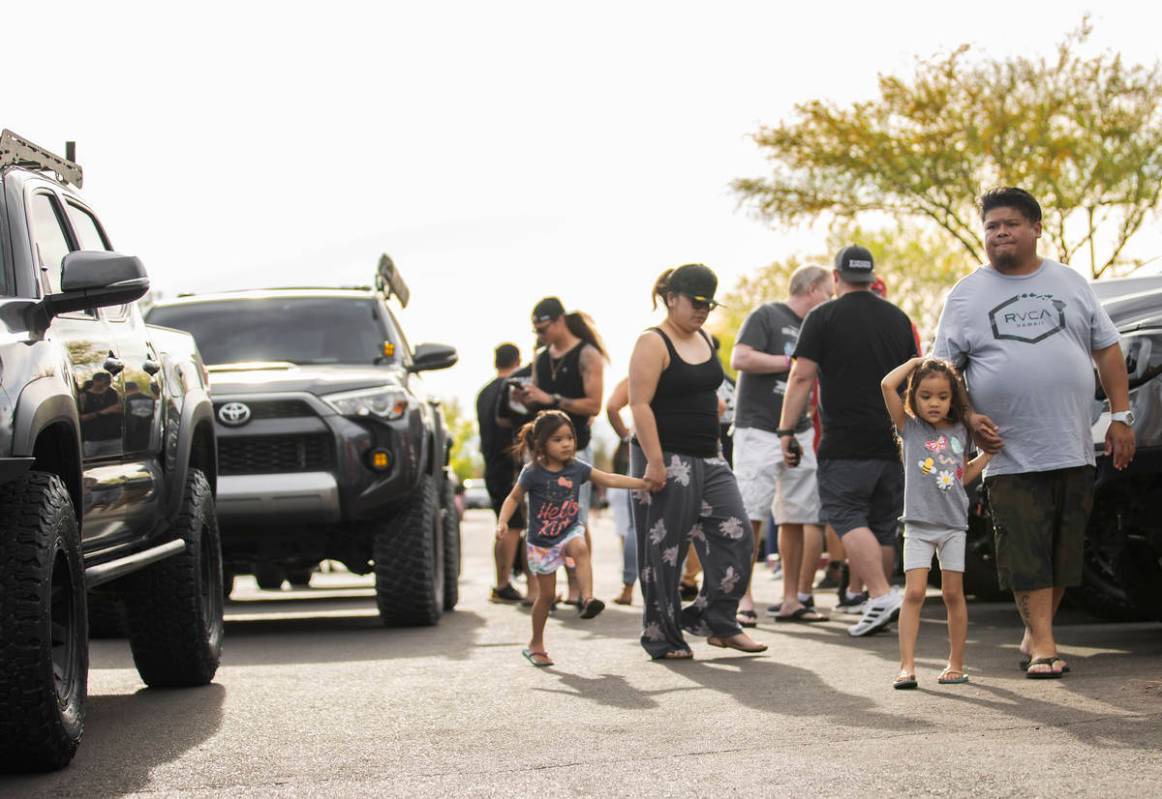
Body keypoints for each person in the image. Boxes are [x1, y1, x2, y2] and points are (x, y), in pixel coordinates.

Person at [932, 187, 1134, 679]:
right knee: (1024, 545)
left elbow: (1107, 349)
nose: (999, 233)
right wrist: (967, 415)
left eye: (1010, 224)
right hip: (1008, 450)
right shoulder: (966, 294)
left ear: (1036, 228)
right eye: (991, 226)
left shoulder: (1070, 283)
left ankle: (1035, 630)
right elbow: (942, 371)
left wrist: (1122, 416)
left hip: (1071, 441)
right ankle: (1044, 643)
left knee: (1064, 549)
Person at [777, 245, 918, 636]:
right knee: (882, 523)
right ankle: (882, 602)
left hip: (844, 441)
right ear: (872, 278)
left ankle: (879, 594)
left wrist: (786, 430)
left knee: (844, 514)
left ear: (836, 278)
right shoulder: (898, 318)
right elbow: (914, 380)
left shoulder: (823, 316)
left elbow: (801, 377)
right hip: (894, 439)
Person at [629, 263, 766, 659]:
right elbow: (638, 405)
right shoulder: (652, 342)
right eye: (696, 302)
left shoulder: (704, 337)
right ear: (671, 299)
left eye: (709, 303)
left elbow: (708, 392)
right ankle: (663, 637)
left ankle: (718, 622)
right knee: (666, 554)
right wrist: (654, 462)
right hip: (667, 457)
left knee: (739, 536)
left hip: (710, 456)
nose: (703, 310)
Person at [495, 410, 647, 667]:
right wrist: (502, 521)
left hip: (568, 531)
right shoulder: (532, 472)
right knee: (546, 596)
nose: (567, 444)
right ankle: (536, 643)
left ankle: (587, 598)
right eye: (558, 439)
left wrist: (643, 483)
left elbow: (608, 478)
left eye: (570, 438)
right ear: (542, 443)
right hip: (542, 542)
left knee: (580, 546)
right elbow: (513, 498)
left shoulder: (577, 468)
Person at [730, 264, 833, 625]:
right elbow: (739, 357)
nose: (831, 299)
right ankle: (742, 598)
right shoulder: (767, 315)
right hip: (758, 428)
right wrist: (788, 363)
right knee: (752, 512)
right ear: (811, 290)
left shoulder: (818, 326)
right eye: (828, 292)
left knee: (797, 515)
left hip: (799, 430)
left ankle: (791, 600)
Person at [881, 357, 992, 689]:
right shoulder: (911, 429)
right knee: (914, 592)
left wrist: (986, 456)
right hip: (918, 524)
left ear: (953, 399)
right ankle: (907, 667)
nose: (934, 403)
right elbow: (887, 385)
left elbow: (963, 475)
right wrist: (916, 361)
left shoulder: (961, 431)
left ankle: (955, 663)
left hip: (953, 525)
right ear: (914, 396)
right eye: (926, 395)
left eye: (942, 396)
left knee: (952, 594)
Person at [515, 297, 607, 605]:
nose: (539, 336)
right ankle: (543, 587)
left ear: (559, 321)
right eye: (535, 331)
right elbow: (539, 400)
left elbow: (594, 404)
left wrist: (551, 397)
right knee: (540, 520)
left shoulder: (587, 354)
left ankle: (580, 588)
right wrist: (528, 399)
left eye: (542, 329)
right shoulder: (541, 356)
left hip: (575, 448)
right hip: (541, 454)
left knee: (575, 520)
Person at [477, 343, 527, 603]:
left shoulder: (483, 393)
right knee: (513, 525)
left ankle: (503, 581)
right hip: (509, 465)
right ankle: (503, 583)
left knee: (504, 523)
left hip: (491, 463)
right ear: (518, 360)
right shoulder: (513, 389)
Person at [605, 377, 638, 605]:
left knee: (636, 526)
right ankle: (674, 586)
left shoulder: (639, 371)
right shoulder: (687, 364)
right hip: (681, 448)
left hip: (641, 447)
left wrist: (627, 436)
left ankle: (628, 588)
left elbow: (612, 406)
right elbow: (719, 406)